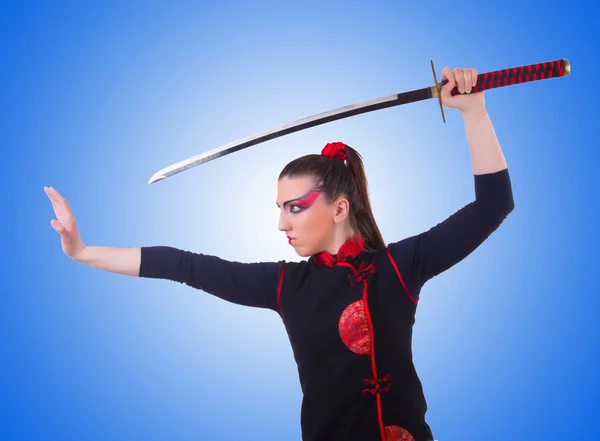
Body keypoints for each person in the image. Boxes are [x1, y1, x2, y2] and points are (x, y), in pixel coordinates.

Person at [45, 66, 514, 441]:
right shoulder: (286, 285)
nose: (282, 224)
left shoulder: (400, 266)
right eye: (279, 209)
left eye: (295, 208)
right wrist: (82, 252)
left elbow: (493, 204)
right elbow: (181, 264)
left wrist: (474, 113)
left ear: (339, 208)